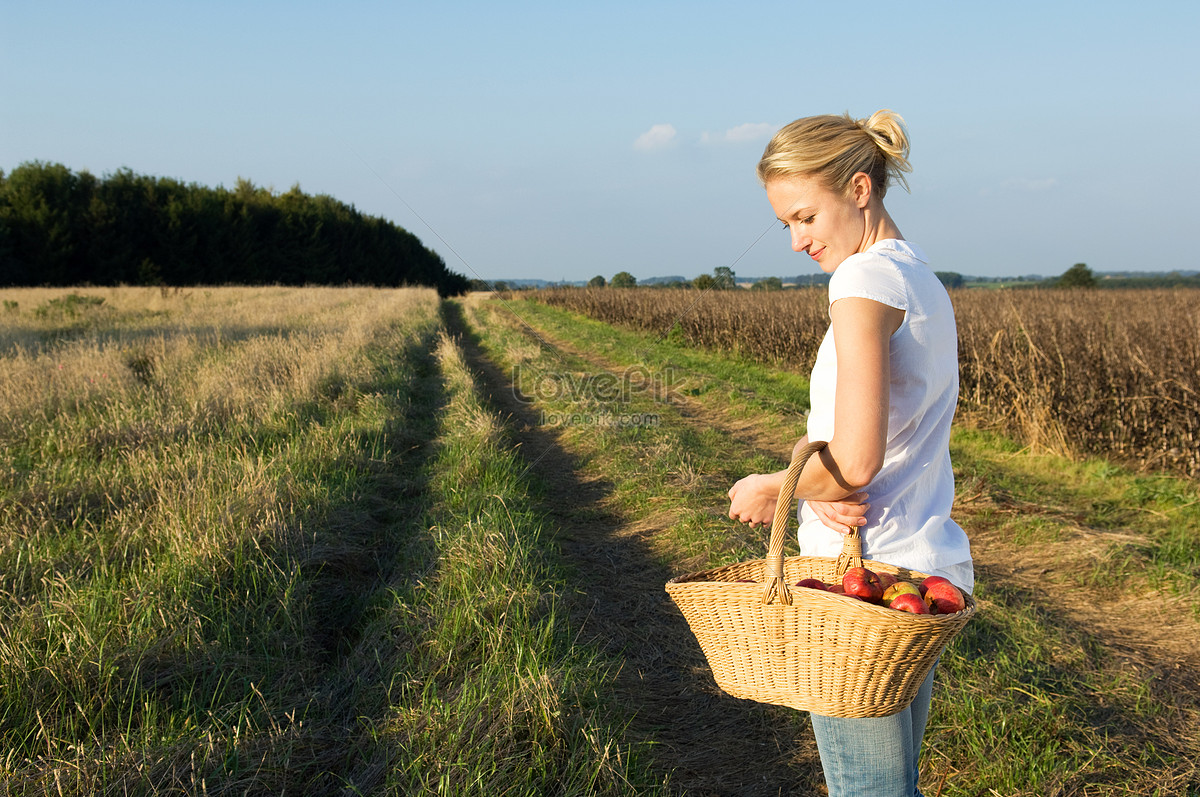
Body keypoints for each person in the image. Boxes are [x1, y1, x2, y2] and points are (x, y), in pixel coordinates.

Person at [726, 110, 973, 797]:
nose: (798, 240)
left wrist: (775, 486)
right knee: (894, 785)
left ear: (859, 190)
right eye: (787, 225)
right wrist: (825, 488)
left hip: (859, 590)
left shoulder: (860, 284)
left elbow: (856, 462)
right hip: (915, 571)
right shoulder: (919, 278)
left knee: (869, 791)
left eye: (805, 216)